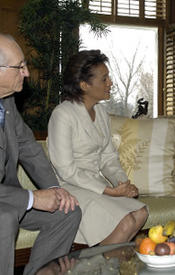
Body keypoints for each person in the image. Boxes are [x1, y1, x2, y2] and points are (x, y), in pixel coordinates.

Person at [47, 50, 148, 247]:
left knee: (141, 212)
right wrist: (109, 191)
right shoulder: (63, 115)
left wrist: (123, 184)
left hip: (96, 185)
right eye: (104, 79)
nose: (110, 82)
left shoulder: (101, 113)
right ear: (84, 85)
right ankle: (98, 267)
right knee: (126, 221)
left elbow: (108, 157)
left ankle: (102, 266)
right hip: (69, 188)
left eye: (108, 77)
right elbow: (66, 170)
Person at [0, 34, 82, 275]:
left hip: (9, 197)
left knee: (67, 211)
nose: (26, 73)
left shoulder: (7, 103)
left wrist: (55, 191)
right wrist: (33, 199)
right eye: (20, 67)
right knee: (3, 218)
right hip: (5, 206)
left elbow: (29, 148)